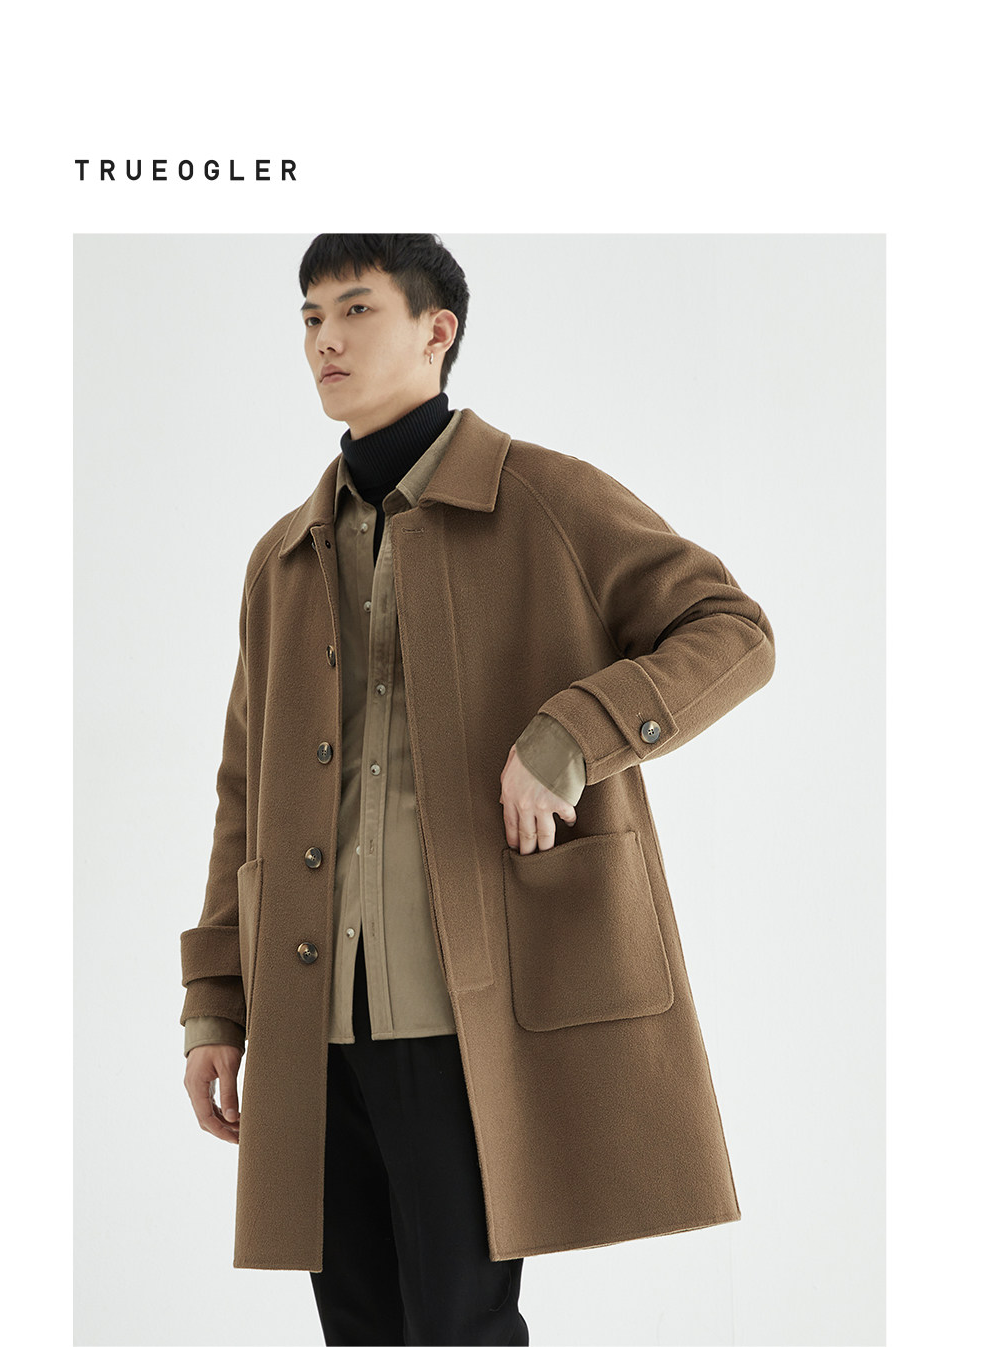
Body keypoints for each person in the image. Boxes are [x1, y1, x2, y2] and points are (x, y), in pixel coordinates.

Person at [180, 233, 775, 1347]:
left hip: (464, 1006)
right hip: (312, 1012)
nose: (324, 340)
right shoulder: (284, 558)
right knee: (359, 1326)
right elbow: (242, 797)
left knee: (460, 1325)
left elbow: (732, 631)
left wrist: (571, 734)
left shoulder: (544, 497)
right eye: (309, 318)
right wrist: (215, 1003)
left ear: (436, 330)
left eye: (354, 310)